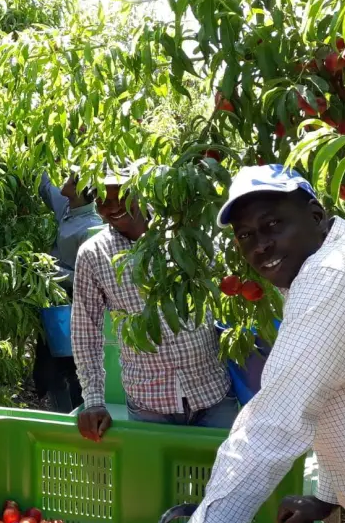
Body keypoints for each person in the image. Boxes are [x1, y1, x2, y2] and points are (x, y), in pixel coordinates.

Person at [188, 164, 345, 523]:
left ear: (315, 215)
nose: (261, 245)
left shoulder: (334, 274)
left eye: (272, 225)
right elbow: (340, 392)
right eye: (246, 236)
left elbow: (276, 420)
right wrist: (327, 498)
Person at [73, 164, 236, 442]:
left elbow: (226, 289)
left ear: (140, 191)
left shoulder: (183, 235)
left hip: (212, 390)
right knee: (157, 484)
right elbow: (85, 331)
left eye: (120, 196)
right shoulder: (93, 254)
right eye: (101, 200)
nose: (110, 208)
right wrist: (94, 401)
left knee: (222, 480)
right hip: (149, 401)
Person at [33, 170, 104, 413]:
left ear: (82, 188)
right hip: (56, 303)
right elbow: (45, 185)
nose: (62, 178)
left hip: (76, 308)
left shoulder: (91, 228)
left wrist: (55, 273)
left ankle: (77, 414)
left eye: (69, 178)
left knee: (73, 369)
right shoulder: (67, 206)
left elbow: (94, 282)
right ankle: (62, 410)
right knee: (49, 366)